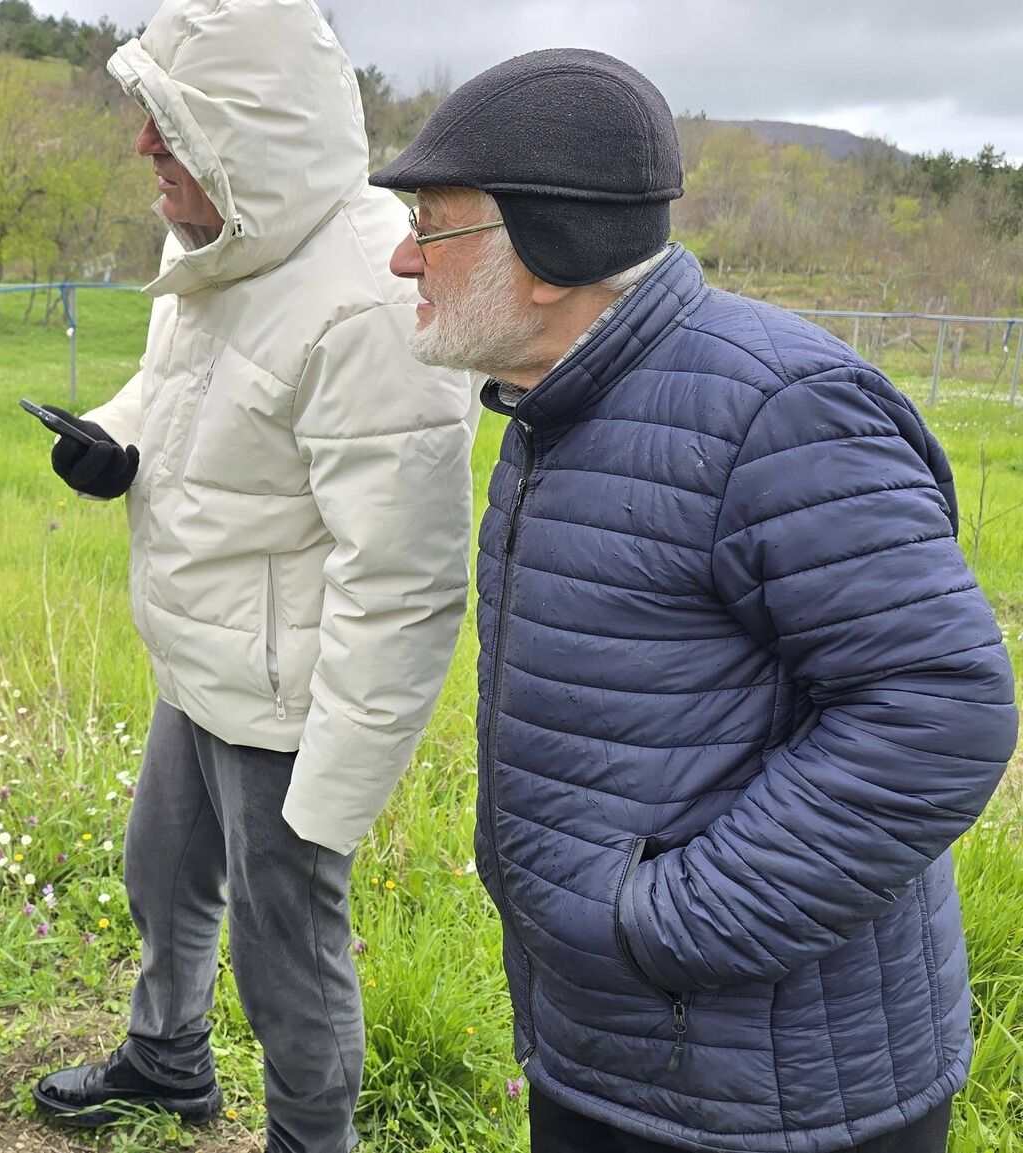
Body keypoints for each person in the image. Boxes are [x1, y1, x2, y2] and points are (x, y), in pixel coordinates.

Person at [367, 47, 1018, 1153]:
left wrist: (658, 927)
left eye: (431, 228)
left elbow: (937, 711)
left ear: (548, 247)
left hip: (777, 1100)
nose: (398, 258)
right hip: (614, 1053)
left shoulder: (776, 409)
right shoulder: (556, 408)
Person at [27, 1, 479, 1148]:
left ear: (247, 138)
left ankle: (306, 1138)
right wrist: (112, 437)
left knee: (287, 948)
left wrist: (332, 788)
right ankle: (167, 1058)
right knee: (160, 872)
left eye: (165, 127)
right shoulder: (222, 240)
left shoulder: (366, 304)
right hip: (206, 649)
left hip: (290, 697)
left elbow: (405, 578)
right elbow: (184, 387)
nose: (141, 149)